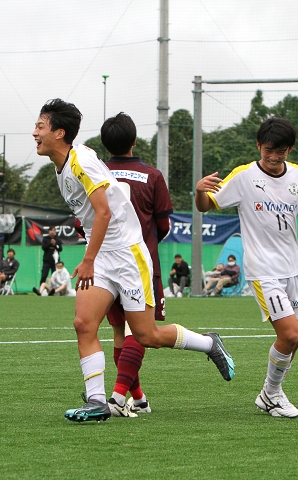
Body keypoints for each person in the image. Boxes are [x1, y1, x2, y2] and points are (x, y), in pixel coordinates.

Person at [32, 98, 234, 422]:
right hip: (102, 258)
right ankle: (98, 402)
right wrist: (93, 258)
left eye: (40, 127)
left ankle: (209, 343)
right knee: (84, 324)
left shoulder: (80, 159)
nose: (34, 133)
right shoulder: (62, 168)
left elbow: (104, 211)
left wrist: (88, 259)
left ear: (59, 132)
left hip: (128, 255)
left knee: (146, 336)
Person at [195, 116, 298, 418]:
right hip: (262, 270)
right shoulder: (243, 176)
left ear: (289, 149)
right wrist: (200, 190)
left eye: (281, 151)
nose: (274, 157)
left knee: (296, 337)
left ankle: (269, 394)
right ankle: (272, 393)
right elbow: (206, 205)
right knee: (289, 335)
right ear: (258, 146)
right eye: (269, 150)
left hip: (292, 268)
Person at [101, 112, 173, 416]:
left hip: (105, 265)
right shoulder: (152, 175)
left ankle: (139, 399)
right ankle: (119, 397)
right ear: (134, 141)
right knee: (140, 331)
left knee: (120, 332)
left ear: (105, 144)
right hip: (141, 264)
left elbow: (84, 224)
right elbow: (164, 225)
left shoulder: (96, 173)